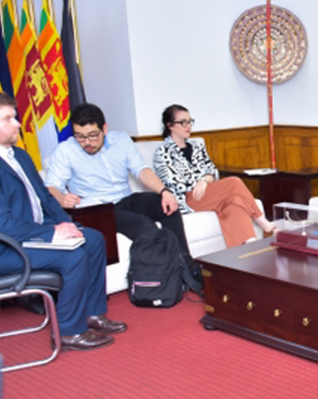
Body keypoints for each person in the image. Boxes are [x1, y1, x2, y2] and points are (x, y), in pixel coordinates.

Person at [0, 92, 126, 351]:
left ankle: (92, 314)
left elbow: (45, 197)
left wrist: (68, 225)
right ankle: (70, 332)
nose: (18, 123)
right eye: (8, 118)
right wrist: (53, 233)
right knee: (73, 256)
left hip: (22, 234)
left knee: (92, 239)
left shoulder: (18, 156)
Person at [45, 103, 201, 283]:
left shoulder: (121, 140)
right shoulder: (65, 151)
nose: (87, 142)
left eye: (92, 135)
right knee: (144, 225)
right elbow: (52, 187)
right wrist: (62, 198)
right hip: (103, 209)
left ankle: (188, 267)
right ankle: (168, 278)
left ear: (104, 128)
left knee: (167, 207)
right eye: (80, 136)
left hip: (128, 199)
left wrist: (165, 191)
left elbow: (141, 170)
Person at [152, 104, 275, 247]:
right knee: (234, 182)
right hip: (187, 199)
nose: (188, 126)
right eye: (183, 122)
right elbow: (172, 183)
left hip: (207, 192)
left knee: (235, 202)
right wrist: (199, 183)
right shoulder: (162, 153)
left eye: (190, 121)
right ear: (170, 125)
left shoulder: (197, 146)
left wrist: (203, 181)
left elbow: (212, 171)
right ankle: (264, 223)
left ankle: (247, 248)